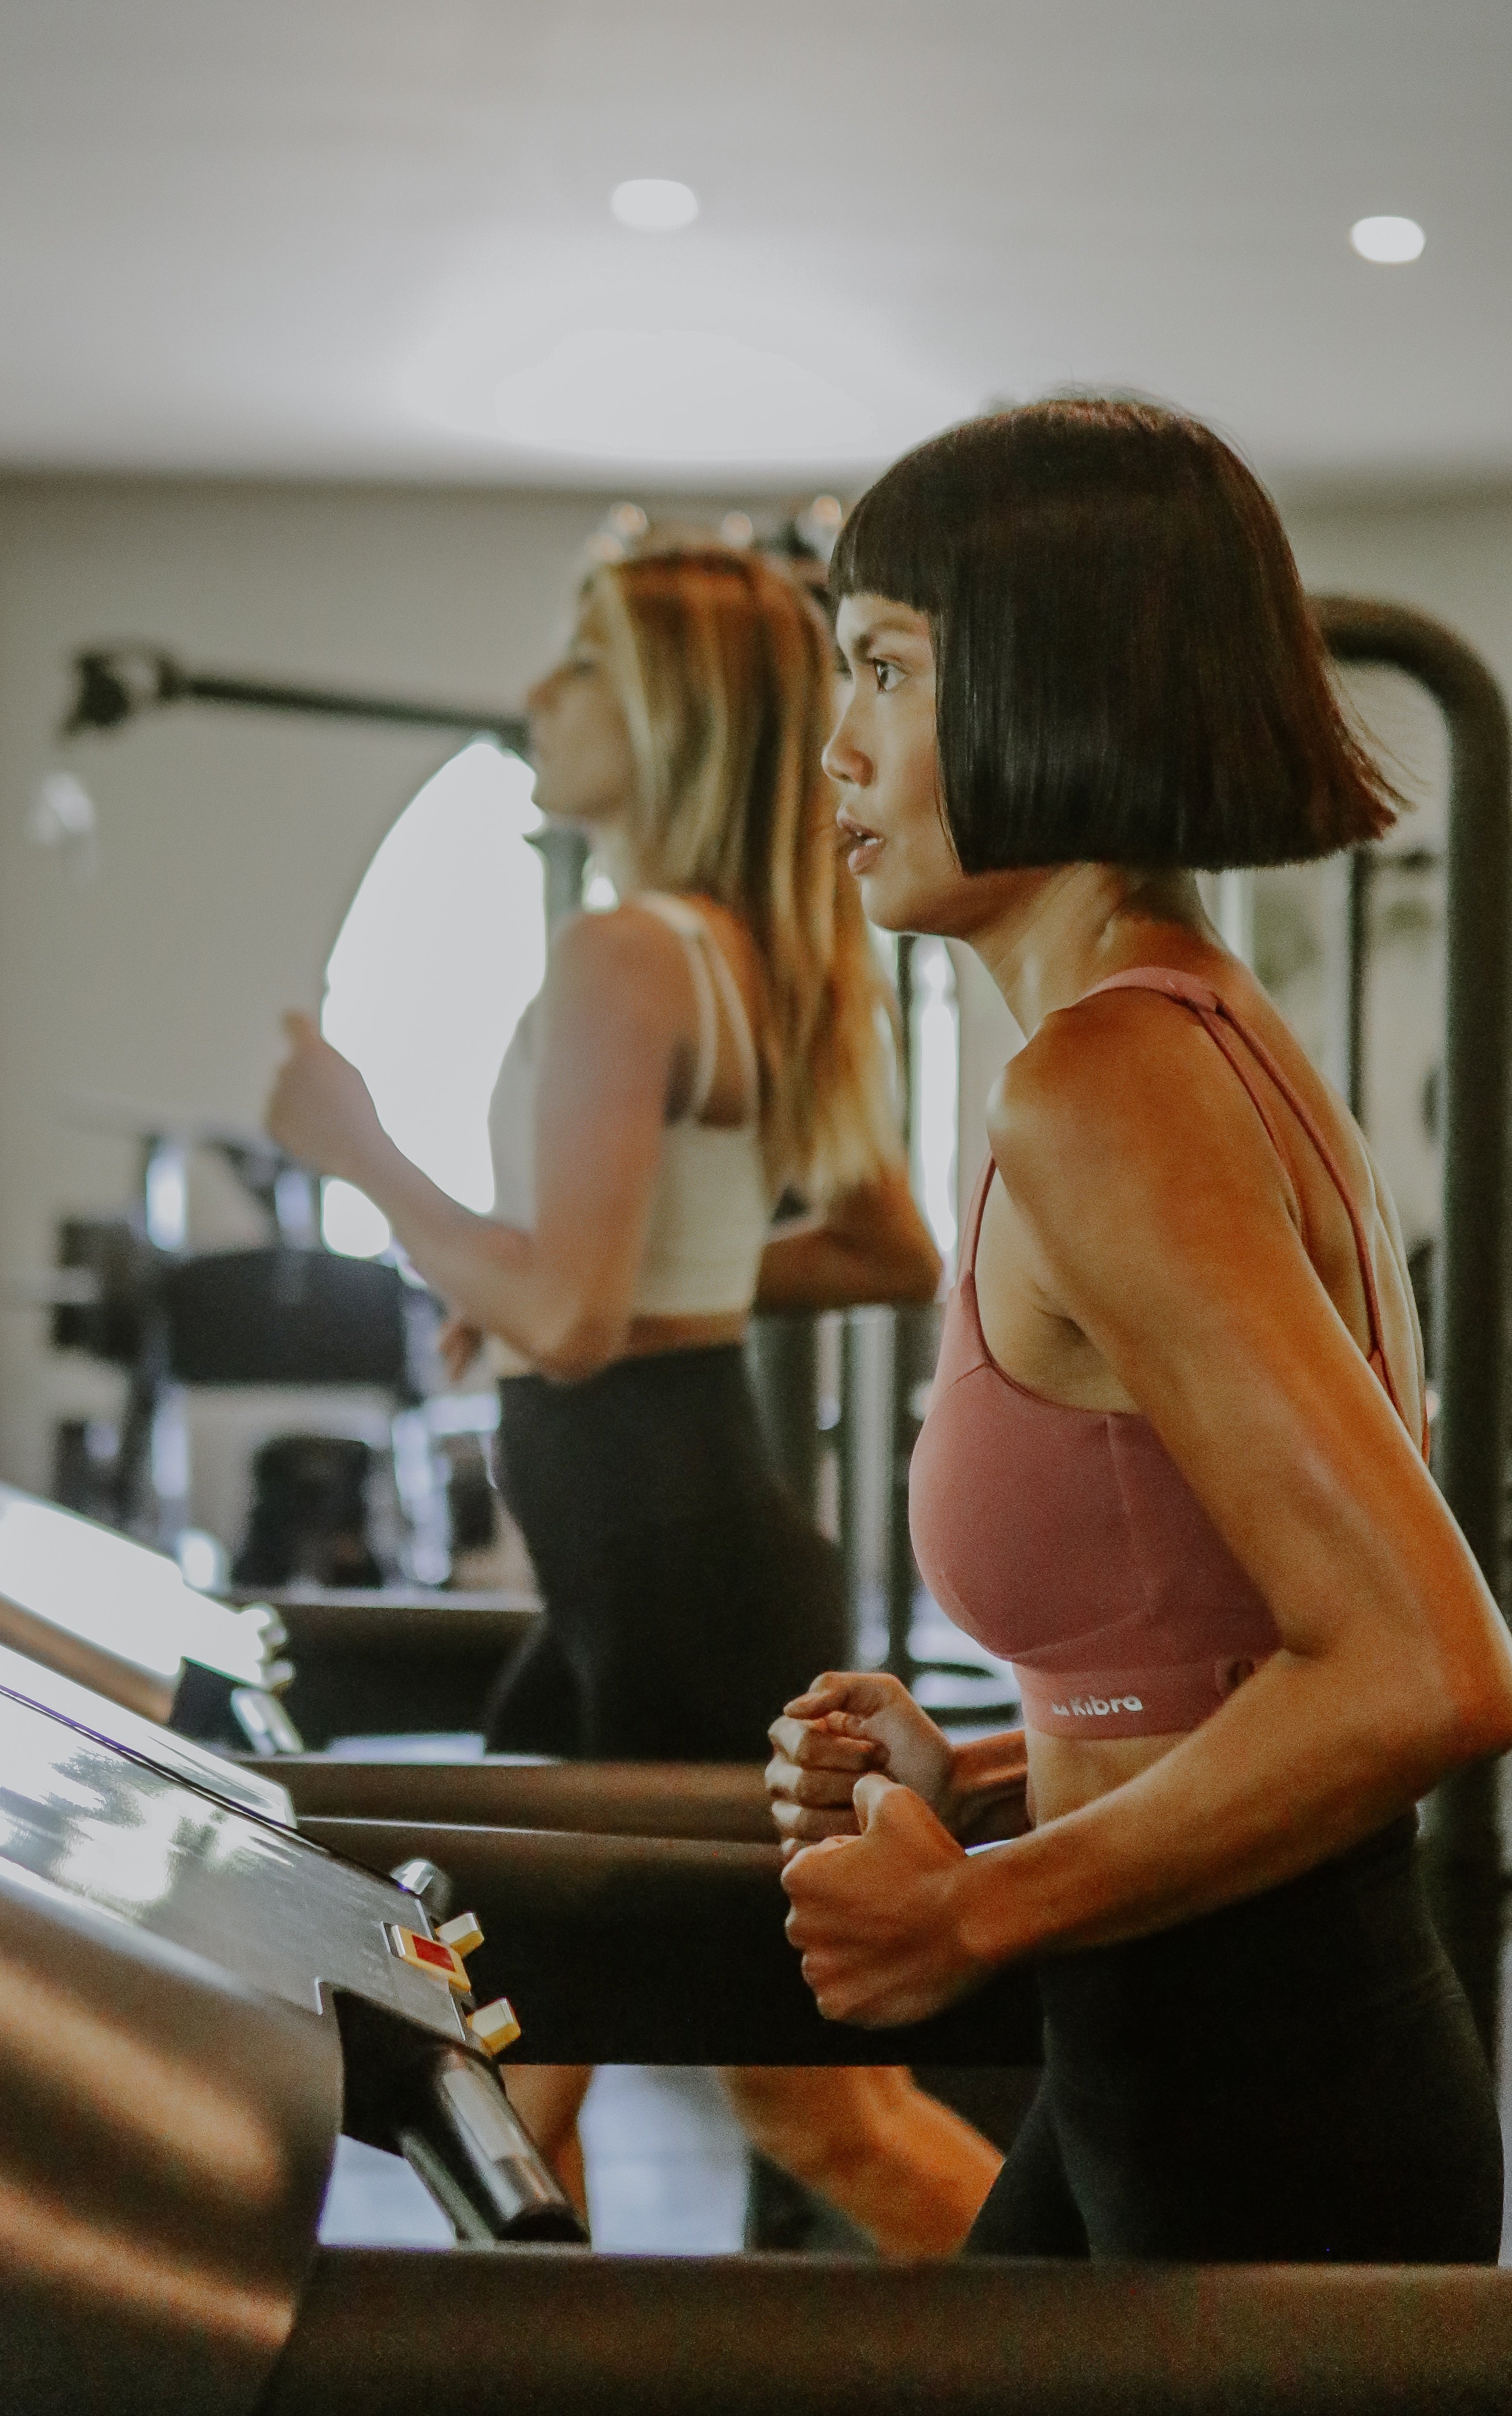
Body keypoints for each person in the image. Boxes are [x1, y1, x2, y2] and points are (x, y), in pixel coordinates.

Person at [767, 397, 1512, 2264]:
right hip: (1182, 2053)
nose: (839, 746)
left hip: (1259, 2091)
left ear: (1051, 683)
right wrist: (980, 1776)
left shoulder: (1107, 1086)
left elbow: (1428, 1668)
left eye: (884, 671)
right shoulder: (1181, 1034)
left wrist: (972, 1915)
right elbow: (1222, 1655)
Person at [266, 534, 1000, 2250]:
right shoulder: (739, 948)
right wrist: (542, 1296)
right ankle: (534, 2359)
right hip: (642, 1579)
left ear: (670, 711)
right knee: (508, 2073)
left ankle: (1141, 2359)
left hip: (678, 1594)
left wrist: (356, 1147)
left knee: (822, 2116)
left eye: (581, 660)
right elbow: (865, 1248)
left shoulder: (623, 957)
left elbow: (577, 1319)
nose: (539, 694)